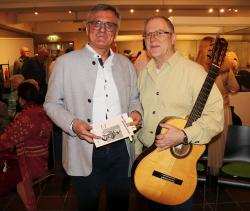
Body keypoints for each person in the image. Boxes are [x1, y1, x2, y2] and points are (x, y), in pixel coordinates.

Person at [44, 4, 142, 211]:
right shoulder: (64, 63)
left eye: (109, 25)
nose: (102, 29)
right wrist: (73, 124)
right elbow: (51, 103)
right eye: (96, 23)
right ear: (87, 28)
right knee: (87, 205)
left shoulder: (126, 65)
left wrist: (136, 112)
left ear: (116, 32)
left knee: (120, 205)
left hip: (121, 149)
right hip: (83, 149)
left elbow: (134, 98)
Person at [135, 16, 224, 211]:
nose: (153, 38)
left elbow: (216, 118)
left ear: (173, 38)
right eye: (148, 34)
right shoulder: (143, 74)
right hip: (146, 165)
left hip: (177, 168)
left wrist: (184, 135)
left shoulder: (194, 72)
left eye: (160, 33)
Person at [0, 82, 52, 211]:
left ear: (21, 98)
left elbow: (8, 139)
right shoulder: (42, 110)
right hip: (44, 157)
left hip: (30, 161)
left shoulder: (26, 116)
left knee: (19, 182)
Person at [196, 36, 240, 178]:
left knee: (198, 144)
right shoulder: (225, 67)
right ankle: (215, 176)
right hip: (221, 110)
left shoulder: (194, 68)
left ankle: (197, 172)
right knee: (218, 147)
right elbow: (235, 88)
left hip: (201, 111)